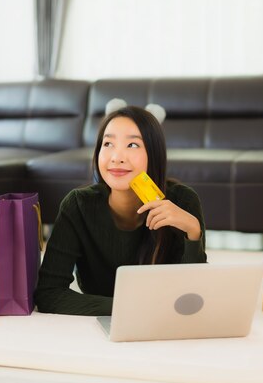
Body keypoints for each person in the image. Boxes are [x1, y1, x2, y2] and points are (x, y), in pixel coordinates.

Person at [34, 103, 207, 316]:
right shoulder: (78, 205)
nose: (117, 157)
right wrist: (129, 308)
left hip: (164, 327)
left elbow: (193, 298)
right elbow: (49, 294)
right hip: (104, 328)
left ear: (154, 154)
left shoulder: (183, 201)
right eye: (108, 144)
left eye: (132, 145)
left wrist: (193, 231)